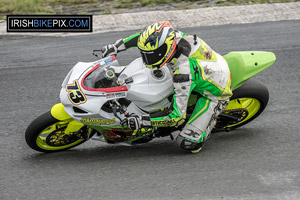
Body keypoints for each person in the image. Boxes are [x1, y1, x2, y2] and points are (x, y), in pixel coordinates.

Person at [101, 21, 232, 153]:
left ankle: (207, 125)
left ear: (164, 50)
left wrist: (143, 121)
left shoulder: (183, 72)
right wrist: (116, 46)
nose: (146, 58)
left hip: (216, 90)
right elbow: (142, 38)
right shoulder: (171, 37)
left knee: (188, 144)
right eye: (144, 54)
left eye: (150, 55)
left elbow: (176, 116)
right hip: (207, 66)